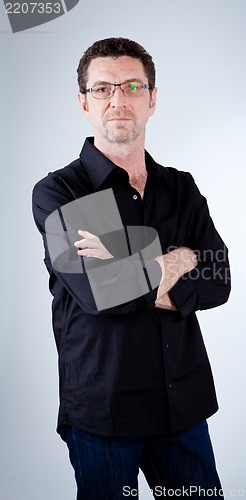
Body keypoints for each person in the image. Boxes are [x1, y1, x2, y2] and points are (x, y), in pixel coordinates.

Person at [32, 37, 231, 499]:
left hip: (181, 404)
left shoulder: (181, 188)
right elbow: (99, 294)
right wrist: (180, 260)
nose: (118, 99)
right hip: (104, 412)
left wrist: (129, 266)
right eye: (103, 89)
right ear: (84, 102)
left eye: (132, 86)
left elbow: (219, 279)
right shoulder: (60, 193)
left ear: (152, 99)